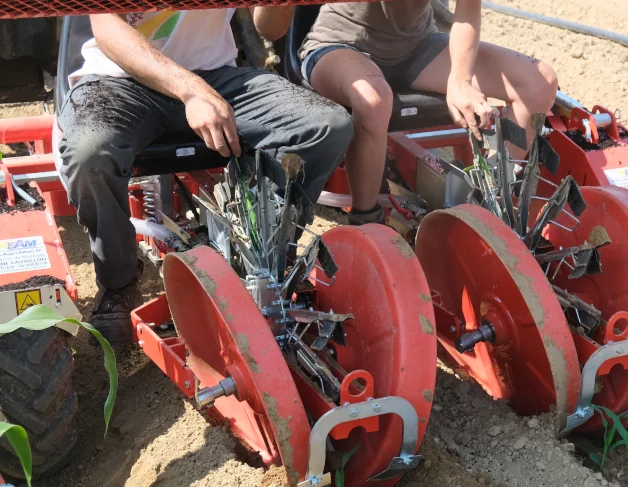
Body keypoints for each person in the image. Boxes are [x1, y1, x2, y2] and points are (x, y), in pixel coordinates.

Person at [58, 8, 353, 345]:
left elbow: (269, 27)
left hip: (216, 76)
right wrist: (192, 91)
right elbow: (109, 30)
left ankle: (264, 265)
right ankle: (118, 285)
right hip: (119, 81)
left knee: (325, 126)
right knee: (90, 153)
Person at [279, 0, 558, 225]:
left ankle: (485, 209)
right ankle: (366, 222)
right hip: (338, 45)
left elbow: (466, 14)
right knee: (374, 100)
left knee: (538, 82)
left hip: (415, 47)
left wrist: (460, 81)